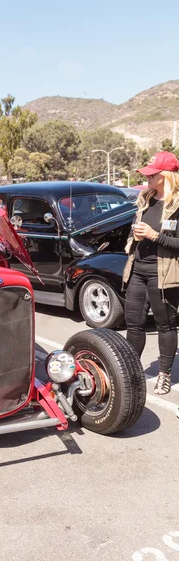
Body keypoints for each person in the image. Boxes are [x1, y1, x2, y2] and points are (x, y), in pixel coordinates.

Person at [123, 151, 179, 394]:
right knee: (133, 324)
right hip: (138, 269)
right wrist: (131, 238)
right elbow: (133, 230)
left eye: (151, 174)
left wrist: (155, 236)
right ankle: (130, 371)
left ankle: (164, 375)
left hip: (163, 274)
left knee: (165, 325)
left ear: (165, 176)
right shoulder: (145, 199)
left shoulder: (177, 205)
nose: (147, 178)